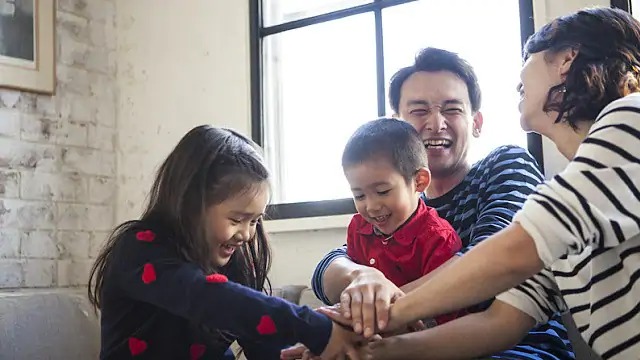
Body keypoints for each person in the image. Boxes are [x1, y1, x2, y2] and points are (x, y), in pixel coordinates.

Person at [353, 7, 640, 359]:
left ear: (567, 59)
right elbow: (499, 322)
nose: (518, 77)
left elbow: (514, 252)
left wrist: (375, 317)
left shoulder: (631, 117)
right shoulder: (569, 204)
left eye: (528, 57)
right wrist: (367, 350)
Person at [286, 48, 575, 359]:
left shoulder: (505, 164)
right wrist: (360, 278)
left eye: (452, 109)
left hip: (516, 350)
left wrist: (356, 323)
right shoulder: (390, 207)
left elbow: (486, 267)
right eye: (420, 111)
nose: (436, 123)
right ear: (397, 125)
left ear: (476, 122)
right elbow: (330, 265)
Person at [87, 125, 358, 359]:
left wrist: (298, 351)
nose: (247, 234)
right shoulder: (139, 249)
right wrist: (315, 328)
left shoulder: (233, 262)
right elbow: (209, 298)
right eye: (237, 219)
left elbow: (259, 340)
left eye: (254, 221)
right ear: (192, 205)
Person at [342, 118, 463, 328]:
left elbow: (448, 315)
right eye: (359, 196)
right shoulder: (358, 228)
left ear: (419, 181)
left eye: (382, 192)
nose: (371, 206)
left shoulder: (438, 238)